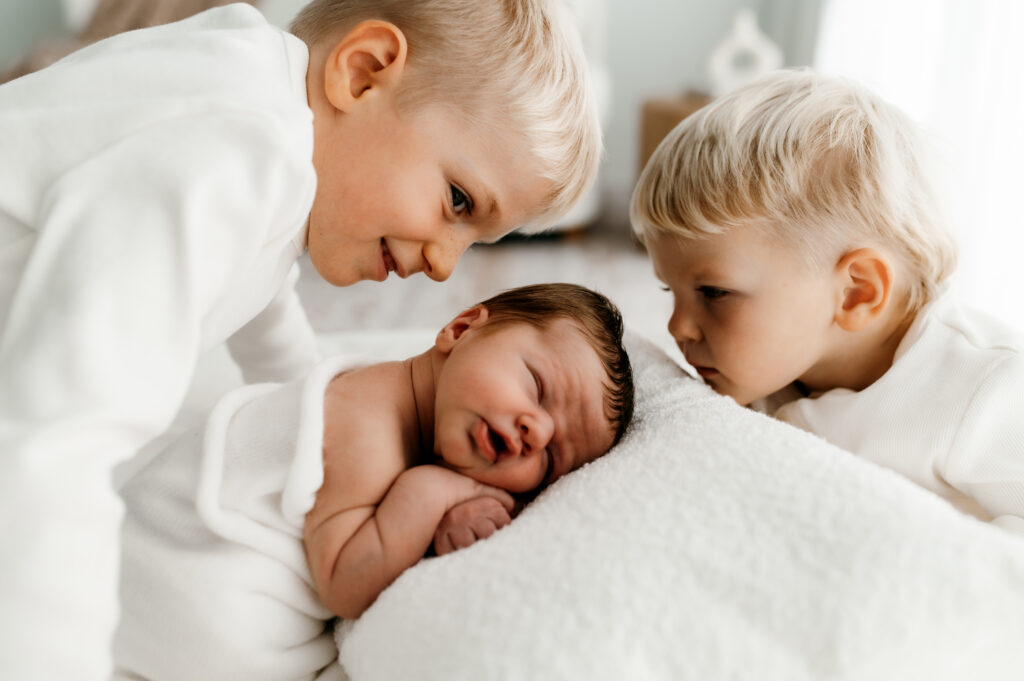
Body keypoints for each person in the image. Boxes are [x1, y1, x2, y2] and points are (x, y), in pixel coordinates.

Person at [0, 2, 601, 678]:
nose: (443, 263)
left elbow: (262, 294)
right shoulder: (233, 148)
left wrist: (314, 387)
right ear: (364, 72)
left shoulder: (269, 129)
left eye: (474, 239)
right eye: (459, 201)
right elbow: (56, 435)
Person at [112, 283, 633, 680]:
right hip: (173, 588)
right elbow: (344, 580)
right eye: (537, 387)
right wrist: (432, 493)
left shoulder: (429, 425)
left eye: (552, 459)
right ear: (461, 329)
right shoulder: (365, 415)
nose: (534, 430)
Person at [629, 68, 1024, 535]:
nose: (678, 327)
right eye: (668, 290)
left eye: (714, 293)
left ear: (857, 292)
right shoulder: (772, 370)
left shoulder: (985, 390)